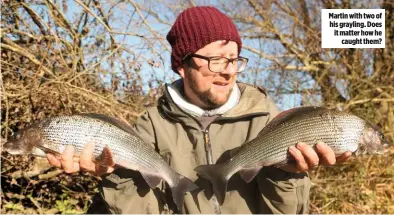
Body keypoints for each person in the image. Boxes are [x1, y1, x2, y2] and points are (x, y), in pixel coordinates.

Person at [47, 6, 351, 214]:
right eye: (216, 60)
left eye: (234, 60)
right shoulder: (148, 127)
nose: (229, 71)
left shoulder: (269, 120)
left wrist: (287, 176)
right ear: (182, 65)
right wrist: (115, 176)